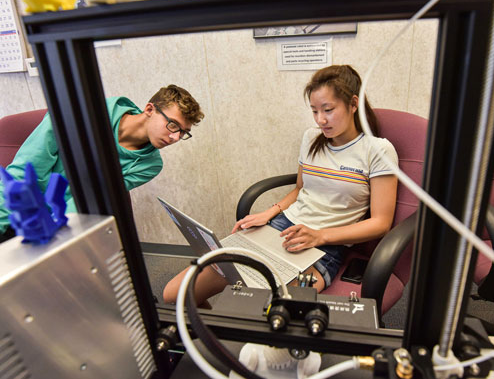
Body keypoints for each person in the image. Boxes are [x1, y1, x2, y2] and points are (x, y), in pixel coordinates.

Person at [162, 65, 398, 306]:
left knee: (262, 310)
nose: (320, 120)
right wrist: (269, 213)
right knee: (175, 294)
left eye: (328, 110)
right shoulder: (311, 138)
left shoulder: (378, 150)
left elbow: (381, 223)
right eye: (315, 111)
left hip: (325, 246)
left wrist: (320, 236)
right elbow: (299, 189)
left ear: (353, 103)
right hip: (281, 228)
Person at [0, 84, 204, 242]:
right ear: (149, 109)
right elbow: (28, 166)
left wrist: (55, 231)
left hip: (62, 218)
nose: (175, 137)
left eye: (183, 133)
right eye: (173, 125)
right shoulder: (87, 111)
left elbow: (92, 196)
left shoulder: (149, 165)